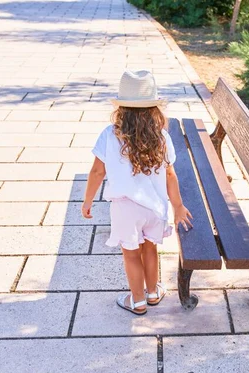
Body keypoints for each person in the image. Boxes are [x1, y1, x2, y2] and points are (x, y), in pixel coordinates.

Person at [81, 70, 193, 316]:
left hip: (124, 208)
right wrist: (178, 207)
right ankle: (153, 293)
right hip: (154, 207)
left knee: (131, 255)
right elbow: (171, 175)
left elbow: (97, 172)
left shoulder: (109, 135)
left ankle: (138, 300)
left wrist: (88, 199)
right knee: (150, 248)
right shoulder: (161, 137)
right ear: (154, 109)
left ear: (120, 108)